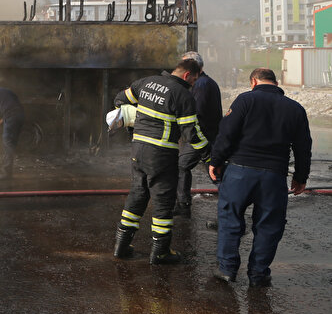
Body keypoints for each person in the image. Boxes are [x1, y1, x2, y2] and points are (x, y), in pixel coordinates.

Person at [209, 68, 312, 286]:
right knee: (269, 225)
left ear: (254, 82)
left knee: (230, 219)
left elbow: (227, 133)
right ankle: (258, 273)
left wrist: (216, 161)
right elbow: (303, 147)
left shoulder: (245, 100)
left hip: (239, 172)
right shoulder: (295, 109)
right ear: (276, 83)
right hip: (274, 176)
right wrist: (301, 177)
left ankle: (227, 269)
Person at [112, 58, 209, 264]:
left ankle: (120, 246)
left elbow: (120, 98)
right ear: (187, 75)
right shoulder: (183, 95)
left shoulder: (145, 82)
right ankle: (160, 252)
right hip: (161, 154)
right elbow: (192, 133)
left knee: (137, 194)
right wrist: (209, 155)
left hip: (138, 149)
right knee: (163, 201)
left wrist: (133, 121)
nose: (194, 84)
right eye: (194, 79)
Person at [175, 51, 223, 217]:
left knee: (182, 166)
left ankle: (183, 206)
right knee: (214, 169)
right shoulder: (205, 82)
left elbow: (197, 112)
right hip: (207, 134)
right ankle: (231, 208)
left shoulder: (201, 85)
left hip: (202, 135)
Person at [0, 79, 25, 180]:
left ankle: (6, 173)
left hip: (11, 117)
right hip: (20, 116)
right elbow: (13, 108)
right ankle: (10, 168)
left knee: (7, 142)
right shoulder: (8, 91)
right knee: (12, 143)